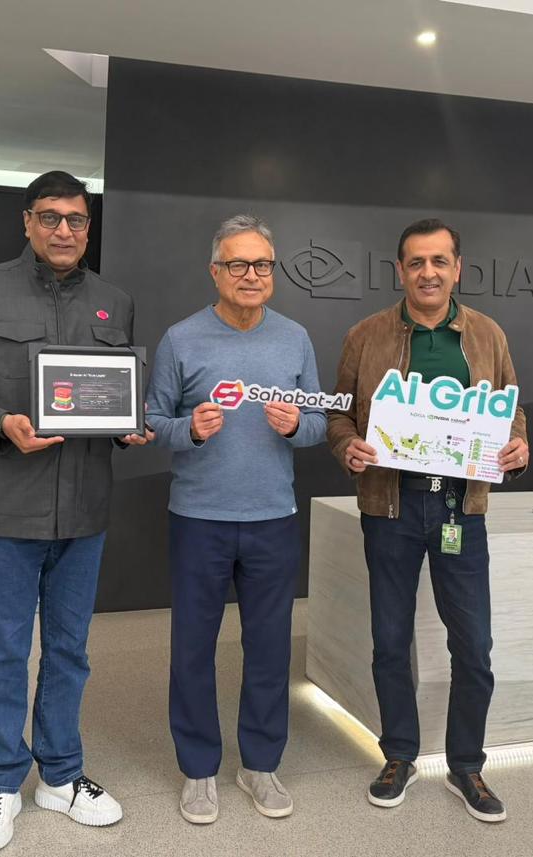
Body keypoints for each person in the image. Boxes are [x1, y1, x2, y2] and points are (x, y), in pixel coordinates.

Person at [0, 170, 149, 852]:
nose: (63, 230)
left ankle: (61, 773)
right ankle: (1, 780)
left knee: (70, 649)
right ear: (27, 221)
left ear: (89, 227)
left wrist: (127, 425)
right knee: (4, 651)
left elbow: (113, 398)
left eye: (76, 219)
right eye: (50, 217)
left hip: (84, 509)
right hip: (8, 507)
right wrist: (0, 424)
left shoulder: (113, 302)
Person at [325, 218, 529, 823]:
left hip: (459, 509)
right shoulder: (366, 335)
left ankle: (467, 765)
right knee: (390, 641)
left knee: (474, 646)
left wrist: (518, 447)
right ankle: (399, 755)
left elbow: (512, 410)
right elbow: (339, 415)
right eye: (416, 262)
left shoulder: (487, 334)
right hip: (389, 508)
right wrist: (346, 445)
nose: (428, 272)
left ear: (458, 268)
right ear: (400, 271)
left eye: (440, 261)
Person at [146, 215, 326, 825]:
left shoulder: (295, 338)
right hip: (199, 518)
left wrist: (298, 426)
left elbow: (319, 421)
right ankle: (198, 770)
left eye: (262, 265)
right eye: (238, 264)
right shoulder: (181, 339)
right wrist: (189, 430)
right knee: (192, 648)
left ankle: (260, 765)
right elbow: (153, 421)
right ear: (215, 271)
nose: (252, 275)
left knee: (270, 648)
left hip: (273, 517)